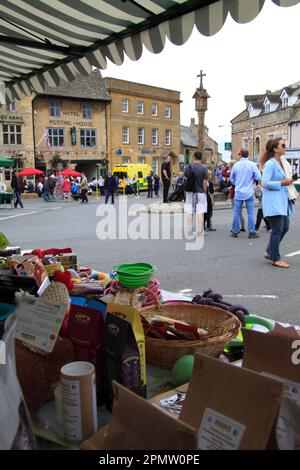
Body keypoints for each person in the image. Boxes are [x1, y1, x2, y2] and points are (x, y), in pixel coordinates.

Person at [261, 137, 296, 268]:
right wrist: (282, 182)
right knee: (277, 230)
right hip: (273, 201)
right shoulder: (270, 164)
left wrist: (288, 181)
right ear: (275, 149)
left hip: (282, 201)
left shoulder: (281, 162)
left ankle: (269, 250)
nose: (285, 147)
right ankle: (275, 258)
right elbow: (264, 183)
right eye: (283, 145)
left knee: (285, 227)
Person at [230, 149, 261, 238]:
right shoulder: (252, 165)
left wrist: (237, 184)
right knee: (250, 213)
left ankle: (235, 231)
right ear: (248, 155)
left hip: (239, 191)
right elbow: (258, 176)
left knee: (236, 212)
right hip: (248, 191)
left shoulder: (236, 165)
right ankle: (252, 232)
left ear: (240, 155)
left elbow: (232, 180)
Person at [184, 150, 208, 235]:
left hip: (190, 191)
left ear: (193, 157)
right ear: (201, 158)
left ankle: (189, 230)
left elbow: (185, 179)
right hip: (200, 192)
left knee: (189, 210)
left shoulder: (187, 167)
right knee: (200, 211)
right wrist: (205, 192)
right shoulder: (204, 168)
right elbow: (205, 182)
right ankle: (199, 230)